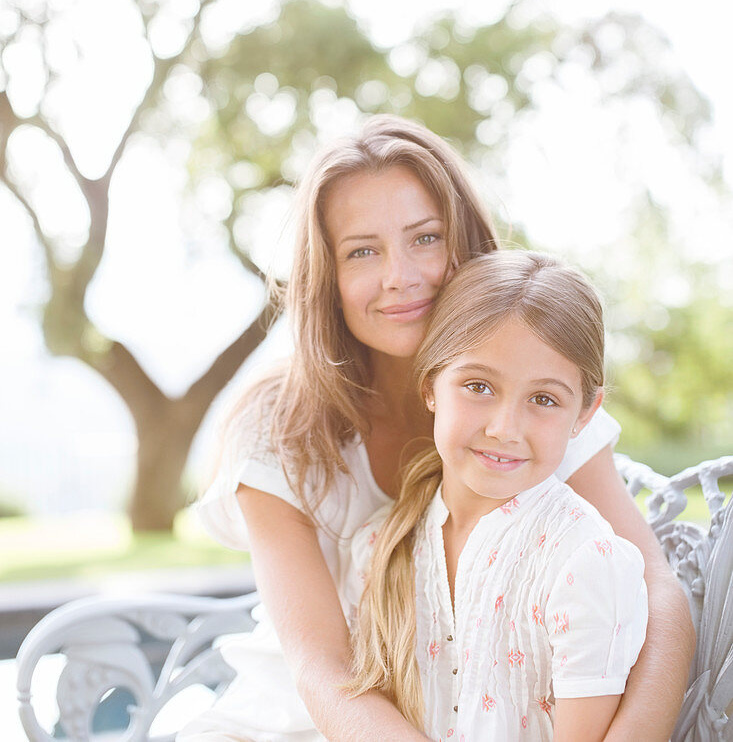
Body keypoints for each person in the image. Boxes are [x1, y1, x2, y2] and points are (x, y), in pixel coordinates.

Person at [178, 115, 693, 742]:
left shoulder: (534, 396)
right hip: (301, 719)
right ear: (327, 278)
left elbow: (656, 590)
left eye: (425, 238)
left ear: (464, 243)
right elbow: (322, 667)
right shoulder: (279, 427)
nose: (401, 276)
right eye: (362, 251)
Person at [348, 251, 648, 742]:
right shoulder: (378, 544)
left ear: (585, 415)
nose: (504, 428)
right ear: (430, 387)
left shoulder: (585, 563)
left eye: (544, 399)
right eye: (478, 386)